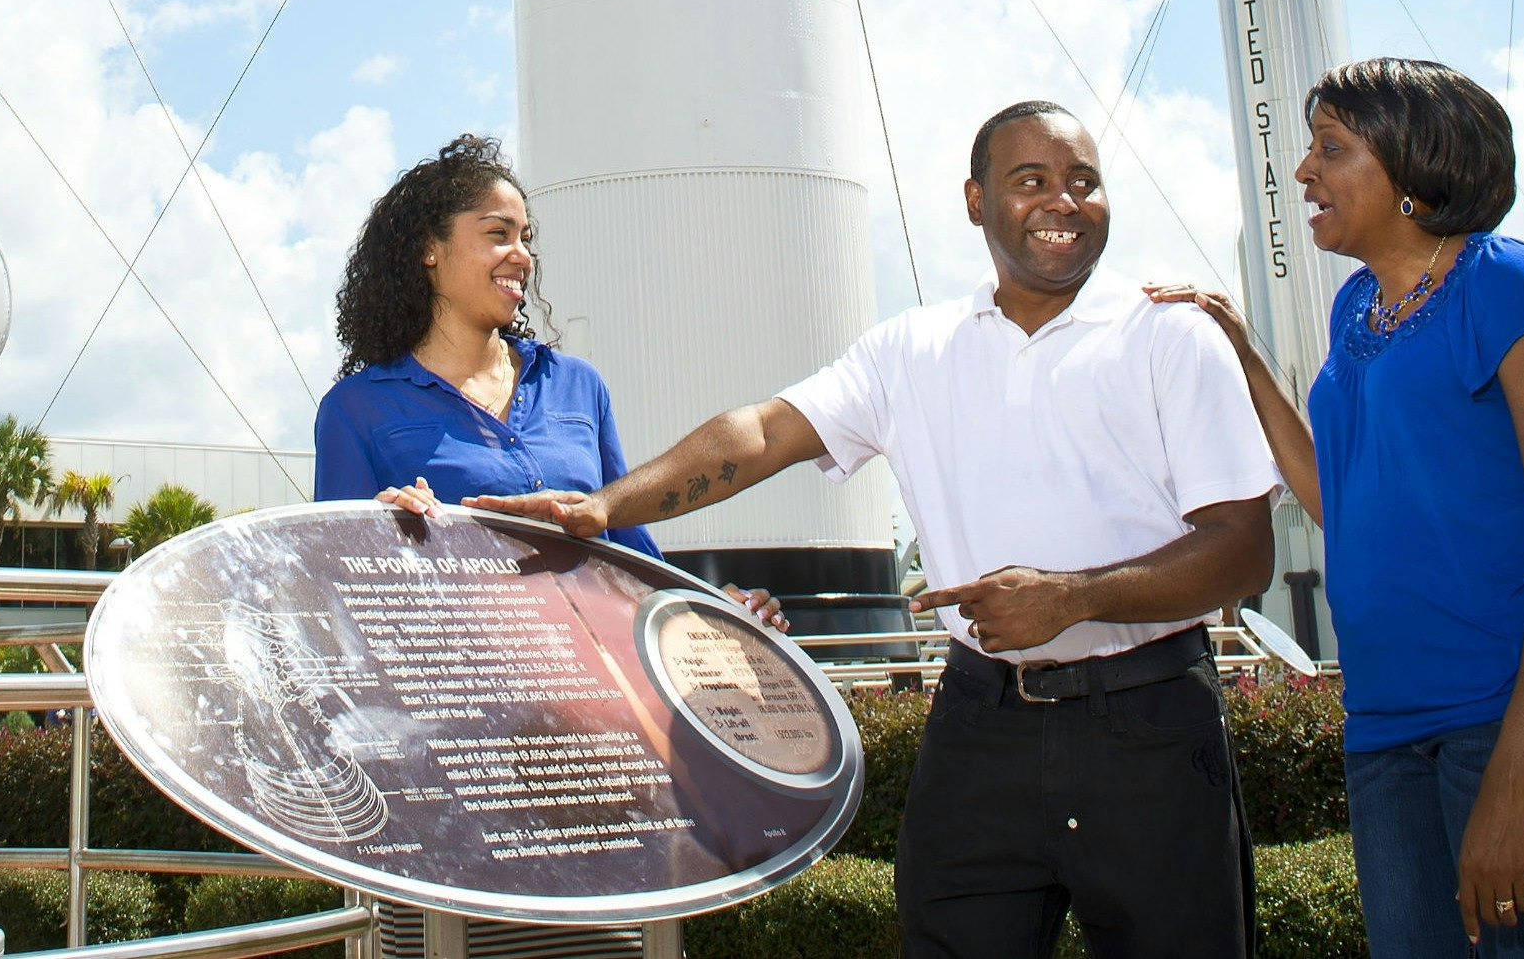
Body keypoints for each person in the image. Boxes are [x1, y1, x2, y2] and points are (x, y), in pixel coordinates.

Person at [478, 102, 1280, 959]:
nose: (1064, 201)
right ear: (975, 201)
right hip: (982, 727)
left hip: (1150, 725)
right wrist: (605, 506)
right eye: (1031, 180)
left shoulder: (1171, 335)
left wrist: (1072, 597)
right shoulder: (912, 348)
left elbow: (1243, 548)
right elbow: (762, 432)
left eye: (1084, 181)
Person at [1157, 58, 1524, 959]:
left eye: (1331, 149)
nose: (1303, 171)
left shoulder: (1508, 287)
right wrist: (1240, 349)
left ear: (1414, 169)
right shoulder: (1356, 310)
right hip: (1388, 730)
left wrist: (1509, 784)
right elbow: (1334, 501)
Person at [310, 133, 662, 558]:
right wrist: (380, 536)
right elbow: (339, 578)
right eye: (499, 233)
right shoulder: (354, 409)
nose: (522, 256)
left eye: (525, 238)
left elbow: (635, 558)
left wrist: (709, 610)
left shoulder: (578, 384)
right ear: (428, 249)